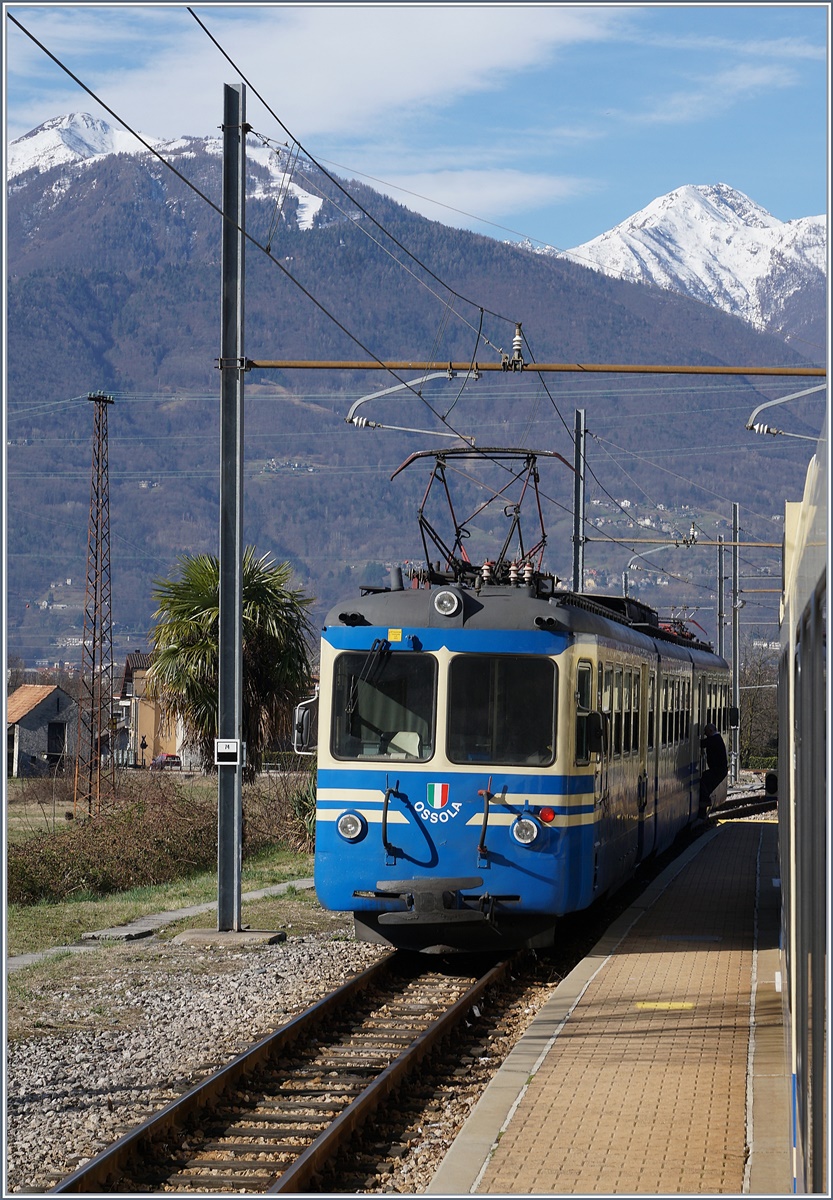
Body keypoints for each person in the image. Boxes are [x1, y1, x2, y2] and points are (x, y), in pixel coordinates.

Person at [699, 722, 728, 818]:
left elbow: (702, 744)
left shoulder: (714, 739)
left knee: (703, 781)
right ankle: (704, 807)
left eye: (706, 733)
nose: (706, 735)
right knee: (706, 783)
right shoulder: (717, 738)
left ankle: (704, 805)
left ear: (711, 731)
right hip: (720, 770)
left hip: (718, 770)